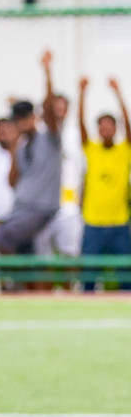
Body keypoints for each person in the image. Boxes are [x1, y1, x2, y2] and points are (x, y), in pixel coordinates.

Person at [0, 52, 63, 255]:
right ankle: (19, 285)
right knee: (28, 256)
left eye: (25, 117)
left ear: (33, 117)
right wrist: (13, 148)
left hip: (40, 208)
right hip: (21, 209)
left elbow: (49, 109)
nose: (21, 123)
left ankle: (13, 282)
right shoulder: (21, 147)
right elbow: (13, 182)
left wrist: (47, 71)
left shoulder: (50, 139)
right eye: (18, 119)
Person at [77, 76, 131, 283]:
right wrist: (82, 93)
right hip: (93, 223)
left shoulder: (124, 151)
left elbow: (128, 124)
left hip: (119, 223)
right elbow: (80, 122)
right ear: (98, 130)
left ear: (115, 129)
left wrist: (118, 93)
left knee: (126, 277)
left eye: (110, 125)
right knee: (89, 277)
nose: (106, 129)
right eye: (103, 126)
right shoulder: (92, 149)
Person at [33, 88, 84, 260]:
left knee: (70, 257)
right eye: (55, 107)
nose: (58, 111)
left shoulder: (76, 136)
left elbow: (84, 173)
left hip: (69, 207)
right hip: (42, 208)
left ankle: (69, 288)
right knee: (42, 260)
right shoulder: (37, 136)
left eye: (62, 107)